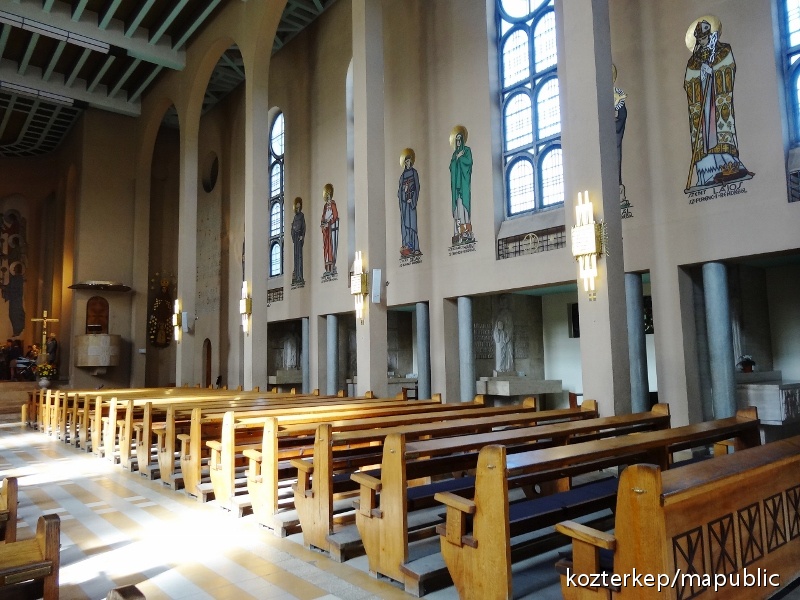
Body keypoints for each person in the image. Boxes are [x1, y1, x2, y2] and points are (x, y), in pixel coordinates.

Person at [683, 16, 753, 192]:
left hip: (717, 101)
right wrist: (701, 76)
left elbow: (729, 68)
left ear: (710, 35)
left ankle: (729, 166)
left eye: (704, 37)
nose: (701, 41)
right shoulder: (693, 61)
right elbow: (688, 83)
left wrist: (713, 72)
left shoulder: (723, 50)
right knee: (704, 136)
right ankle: (707, 173)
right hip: (701, 104)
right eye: (699, 39)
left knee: (719, 131)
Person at [449, 125, 474, 245]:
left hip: (463, 185)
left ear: (463, 140)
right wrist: (456, 159)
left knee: (464, 209)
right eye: (457, 140)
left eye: (460, 139)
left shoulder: (467, 150)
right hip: (456, 188)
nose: (458, 142)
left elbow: (469, 162)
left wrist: (460, 159)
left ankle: (466, 233)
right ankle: (458, 233)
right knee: (458, 210)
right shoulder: (455, 154)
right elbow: (451, 167)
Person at [398, 148, 421, 257]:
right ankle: (408, 248)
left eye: (409, 161)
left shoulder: (414, 172)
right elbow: (399, 192)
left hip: (411, 204)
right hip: (405, 205)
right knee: (406, 227)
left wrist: (412, 199)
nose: (408, 163)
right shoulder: (402, 176)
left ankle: (415, 248)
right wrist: (404, 193)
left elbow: (417, 187)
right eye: (406, 161)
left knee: (413, 226)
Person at [320, 184, 339, 275]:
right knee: (326, 248)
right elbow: (323, 217)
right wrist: (323, 224)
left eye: (328, 195)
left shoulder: (333, 204)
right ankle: (327, 269)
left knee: (331, 247)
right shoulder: (325, 207)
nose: (327, 197)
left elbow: (335, 216)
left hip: (331, 229)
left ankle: (332, 267)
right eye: (326, 195)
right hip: (326, 231)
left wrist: (329, 222)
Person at [493, 295, 514, 373]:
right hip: (501, 337)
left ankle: (508, 368)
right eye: (502, 302)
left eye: (505, 302)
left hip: (507, 336)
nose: (503, 304)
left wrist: (508, 336)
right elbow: (497, 326)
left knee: (508, 354)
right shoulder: (499, 314)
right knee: (501, 353)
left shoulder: (509, 314)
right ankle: (500, 368)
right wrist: (498, 328)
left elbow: (511, 326)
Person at [291, 197, 306, 285]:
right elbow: (292, 227)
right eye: (296, 207)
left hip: (299, 237)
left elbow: (303, 226)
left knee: (299, 257)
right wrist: (293, 232)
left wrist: (302, 236)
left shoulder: (302, 215)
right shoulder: (295, 217)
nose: (297, 208)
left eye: (299, 206)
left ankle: (300, 276)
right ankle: (296, 276)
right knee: (295, 257)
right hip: (295, 238)